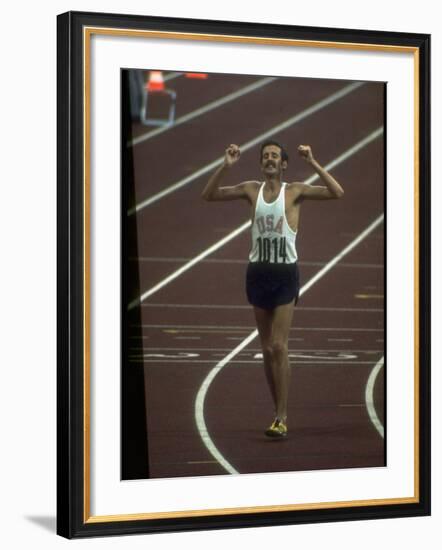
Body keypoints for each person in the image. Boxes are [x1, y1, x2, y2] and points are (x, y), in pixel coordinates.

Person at [202, 141, 344, 437]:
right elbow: (209, 195)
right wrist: (225, 167)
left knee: (279, 346)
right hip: (257, 273)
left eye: (274, 156)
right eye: (265, 156)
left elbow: (336, 192)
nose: (269, 159)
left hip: (284, 274)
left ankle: (282, 415)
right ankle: (275, 411)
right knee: (267, 349)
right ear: (261, 163)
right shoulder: (250, 190)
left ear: (284, 164)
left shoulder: (294, 192)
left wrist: (314, 162)